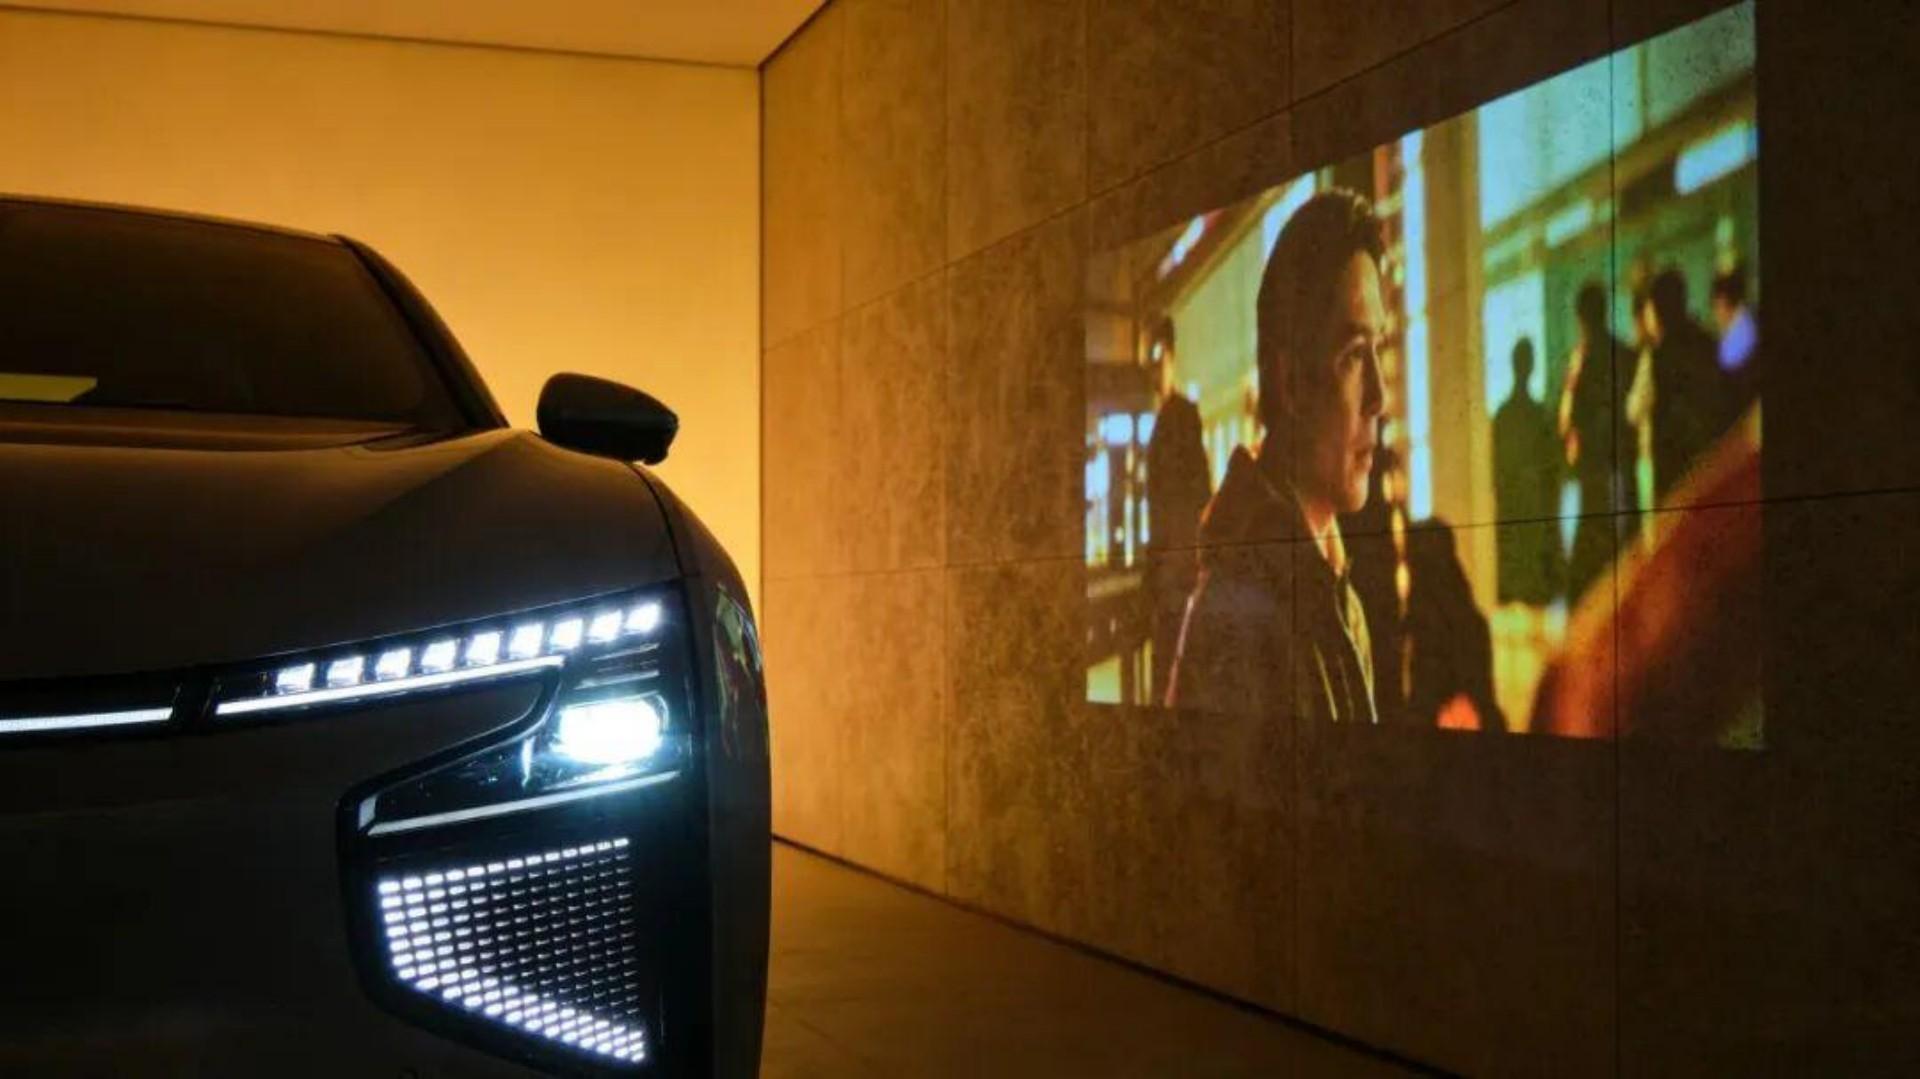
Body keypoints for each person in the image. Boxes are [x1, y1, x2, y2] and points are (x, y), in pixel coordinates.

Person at [1165, 190, 1385, 723]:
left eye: (1378, 348)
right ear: (1290, 384)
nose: (1379, 396)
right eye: (1354, 356)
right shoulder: (1238, 622)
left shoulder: (1334, 596)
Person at [1141, 315, 1212, 699]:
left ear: (1170, 355)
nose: (1151, 369)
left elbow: (1193, 495)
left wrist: (1178, 567)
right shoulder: (1170, 416)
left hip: (1176, 572)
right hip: (1172, 571)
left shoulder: (1179, 416)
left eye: (1155, 357)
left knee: (1169, 672)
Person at [1560, 283, 1634, 607]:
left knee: (1591, 537)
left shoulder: (1583, 359)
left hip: (1592, 466)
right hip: (1621, 462)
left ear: (1581, 318)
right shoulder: (1624, 354)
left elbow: (1568, 417)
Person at [1642, 268, 1736, 505]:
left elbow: (1653, 413)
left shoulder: (1661, 355)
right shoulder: (1708, 343)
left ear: (1658, 309)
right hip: (1712, 463)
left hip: (1674, 469)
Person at [1491, 336, 1564, 606]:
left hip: (1518, 513)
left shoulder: (1506, 416)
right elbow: (1552, 474)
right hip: (1530, 513)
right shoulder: (1538, 416)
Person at [1709, 263, 1759, 414]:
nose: (1715, 315)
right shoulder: (1748, 319)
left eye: (1715, 307)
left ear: (1722, 302)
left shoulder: (1737, 338)